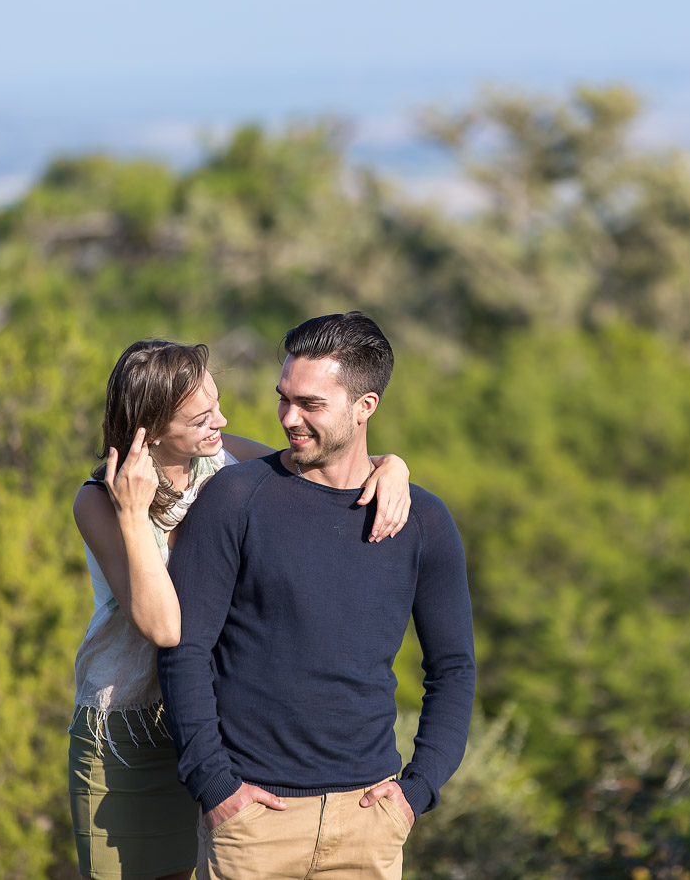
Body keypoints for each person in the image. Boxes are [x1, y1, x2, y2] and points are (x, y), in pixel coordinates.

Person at [69, 338, 413, 880]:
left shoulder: (224, 457)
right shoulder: (99, 501)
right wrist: (135, 516)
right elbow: (164, 627)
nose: (222, 421)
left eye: (217, 403)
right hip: (128, 733)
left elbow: (327, 464)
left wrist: (391, 465)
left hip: (214, 724)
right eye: (203, 416)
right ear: (152, 429)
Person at [158, 311, 476, 880]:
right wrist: (215, 787)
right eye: (283, 398)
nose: (288, 418)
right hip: (251, 825)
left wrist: (417, 791)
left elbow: (453, 669)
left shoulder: (422, 520)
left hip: (370, 822)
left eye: (310, 404)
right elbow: (184, 650)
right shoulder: (234, 499)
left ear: (366, 407)